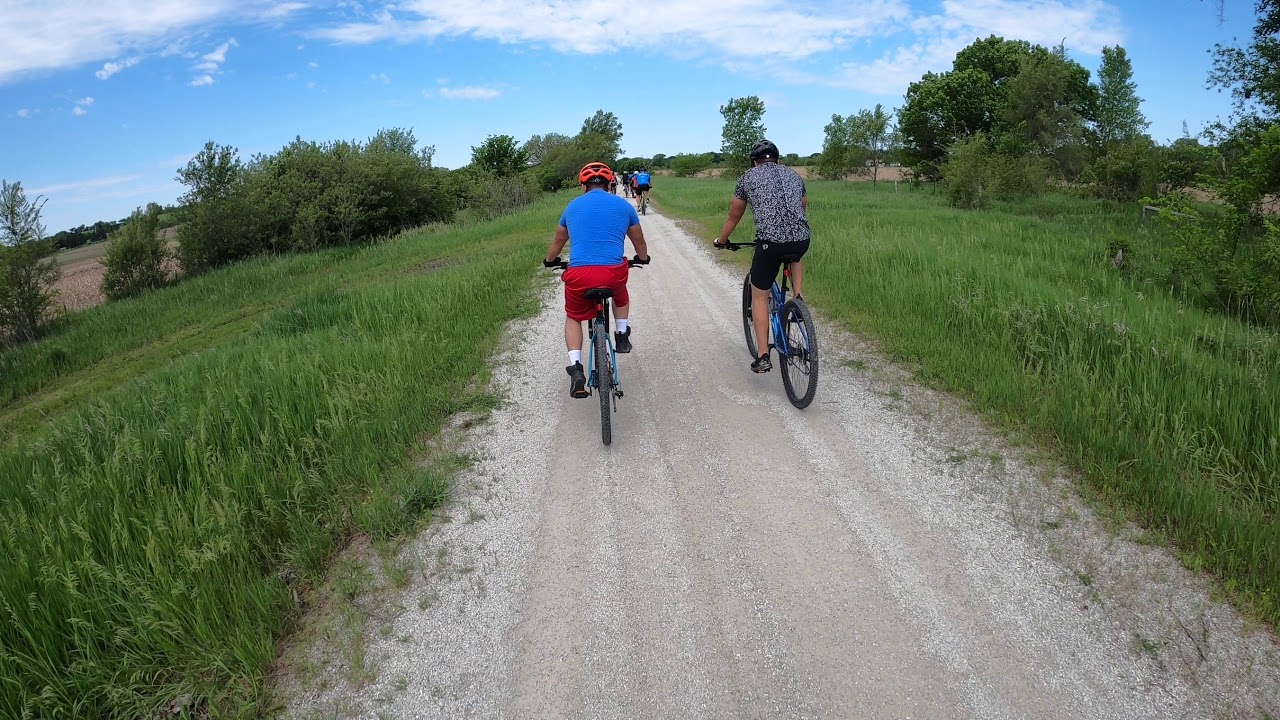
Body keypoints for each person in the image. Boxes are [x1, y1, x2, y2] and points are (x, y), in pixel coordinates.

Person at [545, 162, 651, 398]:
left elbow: (558, 242)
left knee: (574, 316)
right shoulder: (623, 205)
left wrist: (549, 260)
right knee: (620, 290)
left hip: (580, 275)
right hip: (612, 273)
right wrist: (642, 258)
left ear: (584, 186)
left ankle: (576, 368)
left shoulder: (571, 206)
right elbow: (639, 241)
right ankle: (622, 335)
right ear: (610, 182)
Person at [713, 139, 810, 374]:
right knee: (795, 253)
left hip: (770, 244)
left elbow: (734, 214)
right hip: (801, 238)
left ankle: (763, 355)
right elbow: (803, 206)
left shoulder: (748, 177)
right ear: (777, 159)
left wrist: (722, 240)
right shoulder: (795, 175)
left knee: (760, 297)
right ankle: (798, 297)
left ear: (755, 162)